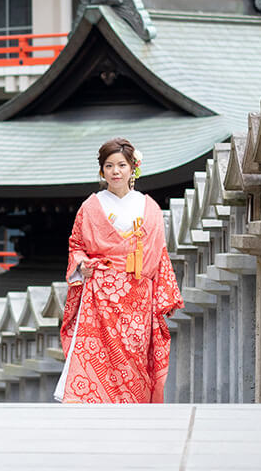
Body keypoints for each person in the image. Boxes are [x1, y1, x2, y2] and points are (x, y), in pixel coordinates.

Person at [54, 137, 183, 403]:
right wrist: (82, 266)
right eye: (109, 166)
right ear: (102, 171)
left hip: (138, 293)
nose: (115, 171)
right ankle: (95, 401)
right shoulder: (90, 207)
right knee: (99, 352)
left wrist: (164, 294)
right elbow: (76, 245)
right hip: (100, 291)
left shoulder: (149, 207)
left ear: (133, 168)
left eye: (121, 165)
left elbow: (159, 253)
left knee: (134, 355)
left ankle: (132, 404)